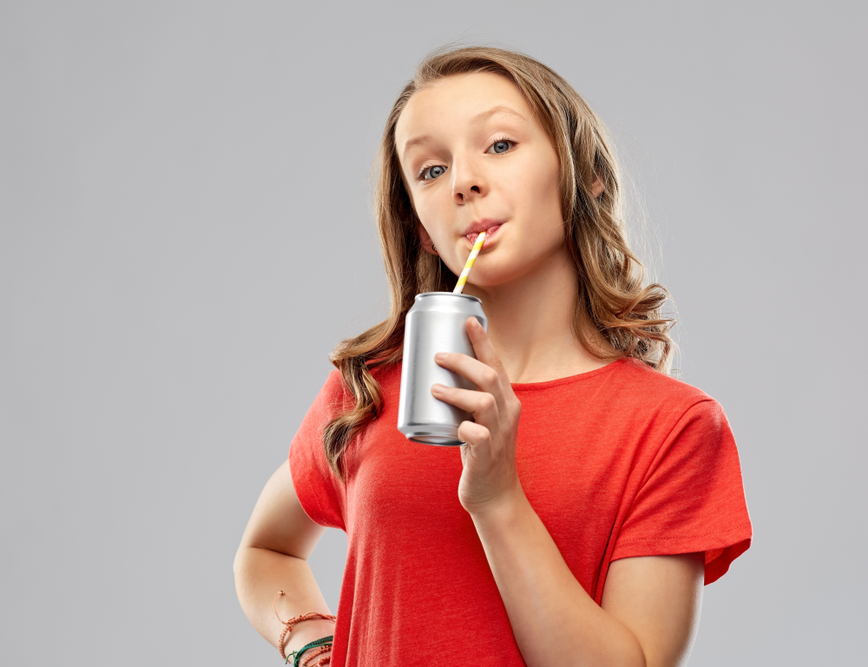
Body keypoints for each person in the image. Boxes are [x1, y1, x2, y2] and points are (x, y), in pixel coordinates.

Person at [234, 45, 752, 667]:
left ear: (583, 174)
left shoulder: (671, 428)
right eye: (430, 170)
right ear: (422, 227)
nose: (464, 181)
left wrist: (499, 498)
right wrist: (309, 639)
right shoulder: (373, 389)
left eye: (500, 145)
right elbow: (268, 551)